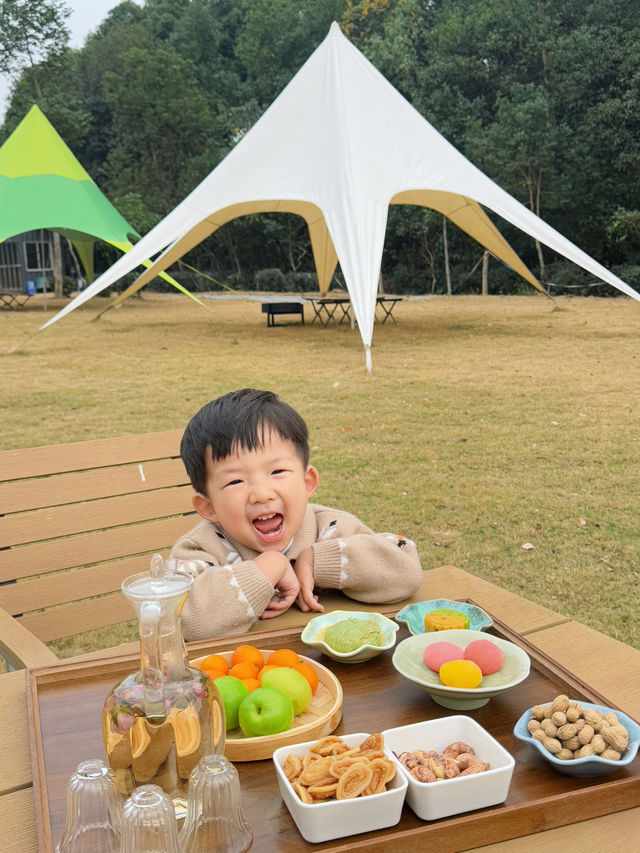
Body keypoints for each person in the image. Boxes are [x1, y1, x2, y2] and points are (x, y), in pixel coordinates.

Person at [171, 389, 423, 640]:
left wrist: (318, 561)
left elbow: (406, 570)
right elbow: (181, 620)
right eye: (236, 481)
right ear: (209, 507)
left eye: (277, 471)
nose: (262, 494)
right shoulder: (199, 549)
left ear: (307, 482)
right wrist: (270, 566)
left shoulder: (330, 527)